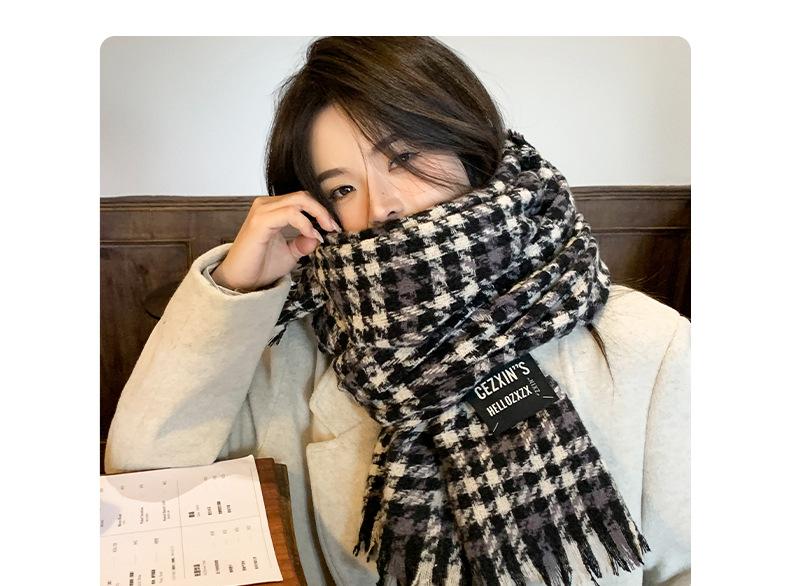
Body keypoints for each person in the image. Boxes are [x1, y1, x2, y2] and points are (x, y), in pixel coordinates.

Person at [104, 37, 690, 586]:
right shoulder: (295, 351)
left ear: (472, 148)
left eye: (405, 157)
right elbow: (148, 481)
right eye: (342, 189)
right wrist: (235, 288)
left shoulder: (647, 346)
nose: (382, 206)